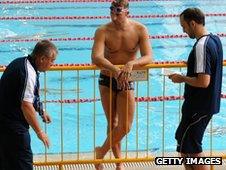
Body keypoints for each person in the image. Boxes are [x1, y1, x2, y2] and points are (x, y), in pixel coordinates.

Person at [91, 0, 153, 169]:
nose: (114, 14)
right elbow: (96, 57)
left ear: (127, 12)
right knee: (112, 122)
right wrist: (114, 69)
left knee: (124, 126)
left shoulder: (140, 29)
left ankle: (100, 152)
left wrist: (132, 64)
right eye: (111, 10)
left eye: (118, 11)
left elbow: (148, 56)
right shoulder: (102, 30)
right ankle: (119, 164)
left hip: (126, 80)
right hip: (107, 79)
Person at [169, 8, 223, 170]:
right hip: (204, 104)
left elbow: (204, 81)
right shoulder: (214, 39)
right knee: (184, 142)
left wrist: (182, 78)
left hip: (199, 106)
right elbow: (210, 66)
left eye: (184, 26)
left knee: (192, 147)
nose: (183, 30)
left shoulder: (201, 45)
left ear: (193, 23)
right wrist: (192, 65)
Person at [0, 40, 58, 170]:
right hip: (12, 126)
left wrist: (41, 110)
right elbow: (26, 105)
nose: (52, 64)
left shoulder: (22, 63)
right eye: (52, 60)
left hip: (5, 123)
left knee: (7, 163)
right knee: (23, 163)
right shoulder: (28, 72)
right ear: (42, 58)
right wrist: (40, 132)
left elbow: (30, 95)